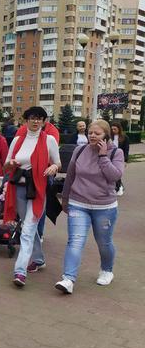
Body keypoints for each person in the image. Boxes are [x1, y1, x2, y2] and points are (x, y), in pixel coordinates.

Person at [55, 120, 124, 295]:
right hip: (78, 203)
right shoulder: (79, 150)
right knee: (75, 241)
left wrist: (102, 156)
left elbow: (114, 176)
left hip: (105, 207)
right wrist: (65, 198)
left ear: (106, 136)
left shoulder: (116, 152)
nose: (92, 136)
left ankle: (107, 270)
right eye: (90, 132)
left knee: (104, 242)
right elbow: (70, 176)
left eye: (97, 133)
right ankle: (68, 279)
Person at [3, 106, 61, 287]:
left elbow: (58, 162)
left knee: (27, 230)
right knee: (30, 228)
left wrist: (53, 167)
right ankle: (39, 259)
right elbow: (6, 165)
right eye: (32, 118)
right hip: (19, 188)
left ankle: (20, 272)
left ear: (44, 122)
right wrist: (11, 163)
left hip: (38, 190)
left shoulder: (49, 140)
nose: (36, 121)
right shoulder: (18, 140)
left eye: (40, 118)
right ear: (26, 121)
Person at [110, 121, 129, 196]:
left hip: (119, 158)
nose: (113, 131)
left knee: (117, 173)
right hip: (110, 158)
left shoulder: (125, 137)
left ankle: (119, 187)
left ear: (119, 129)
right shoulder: (109, 137)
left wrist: (125, 160)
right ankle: (117, 186)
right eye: (112, 129)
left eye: (115, 129)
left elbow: (126, 150)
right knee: (112, 173)